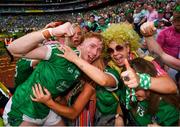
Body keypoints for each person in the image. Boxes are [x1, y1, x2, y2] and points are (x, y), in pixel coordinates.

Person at [2, 22, 106, 126]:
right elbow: (12, 49)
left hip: (46, 110)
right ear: (81, 44)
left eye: (99, 50)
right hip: (22, 110)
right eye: (92, 46)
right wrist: (51, 31)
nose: (95, 53)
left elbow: (103, 78)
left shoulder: (85, 66)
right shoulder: (60, 51)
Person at [121, 57, 179, 126]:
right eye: (128, 89)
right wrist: (120, 117)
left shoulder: (167, 108)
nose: (131, 93)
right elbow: (122, 102)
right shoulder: (129, 90)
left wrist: (140, 79)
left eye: (136, 88)